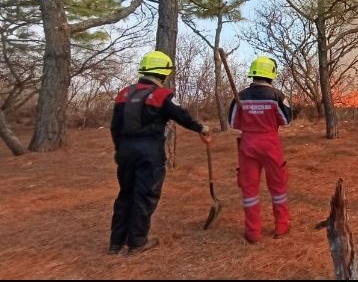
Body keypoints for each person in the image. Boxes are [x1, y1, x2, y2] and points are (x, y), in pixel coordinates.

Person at [108, 50, 212, 256]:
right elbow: (182, 116)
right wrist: (202, 129)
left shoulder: (123, 94)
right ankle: (137, 243)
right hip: (149, 150)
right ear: (163, 73)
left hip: (125, 150)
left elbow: (114, 126)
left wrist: (119, 149)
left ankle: (115, 243)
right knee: (144, 195)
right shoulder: (162, 95)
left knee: (125, 194)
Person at [228, 55, 293, 243]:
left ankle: (252, 233)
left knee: (249, 190)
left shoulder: (240, 96)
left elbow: (233, 122)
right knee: (278, 187)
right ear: (271, 74)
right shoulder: (277, 96)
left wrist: (249, 119)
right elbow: (286, 120)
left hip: (248, 145)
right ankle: (282, 225)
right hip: (270, 144)